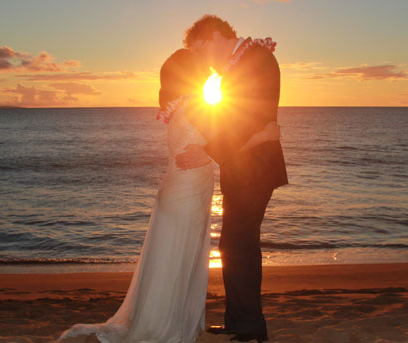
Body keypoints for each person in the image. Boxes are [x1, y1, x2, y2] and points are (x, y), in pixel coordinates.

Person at [58, 48, 280, 343]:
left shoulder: (180, 110)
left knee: (170, 261)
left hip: (178, 194)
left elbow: (214, 146)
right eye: (199, 66)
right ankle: (164, 326)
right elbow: (227, 144)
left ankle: (166, 318)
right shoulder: (198, 108)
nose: (207, 68)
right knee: (178, 261)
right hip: (186, 198)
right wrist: (264, 135)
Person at [176, 15, 289, 343]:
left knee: (240, 246)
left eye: (200, 50)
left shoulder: (257, 59)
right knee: (235, 245)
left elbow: (251, 121)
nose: (201, 59)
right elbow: (233, 121)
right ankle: (239, 323)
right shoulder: (239, 65)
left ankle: (251, 328)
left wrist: (207, 152)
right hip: (242, 168)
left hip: (256, 169)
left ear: (214, 36)